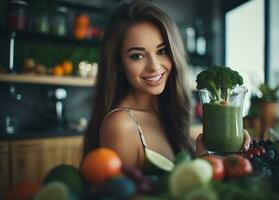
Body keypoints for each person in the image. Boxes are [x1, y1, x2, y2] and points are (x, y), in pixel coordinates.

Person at [82, 0, 251, 169]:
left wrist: (217, 150)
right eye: (137, 56)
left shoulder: (167, 109)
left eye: (162, 51)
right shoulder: (121, 125)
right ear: (118, 62)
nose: (154, 66)